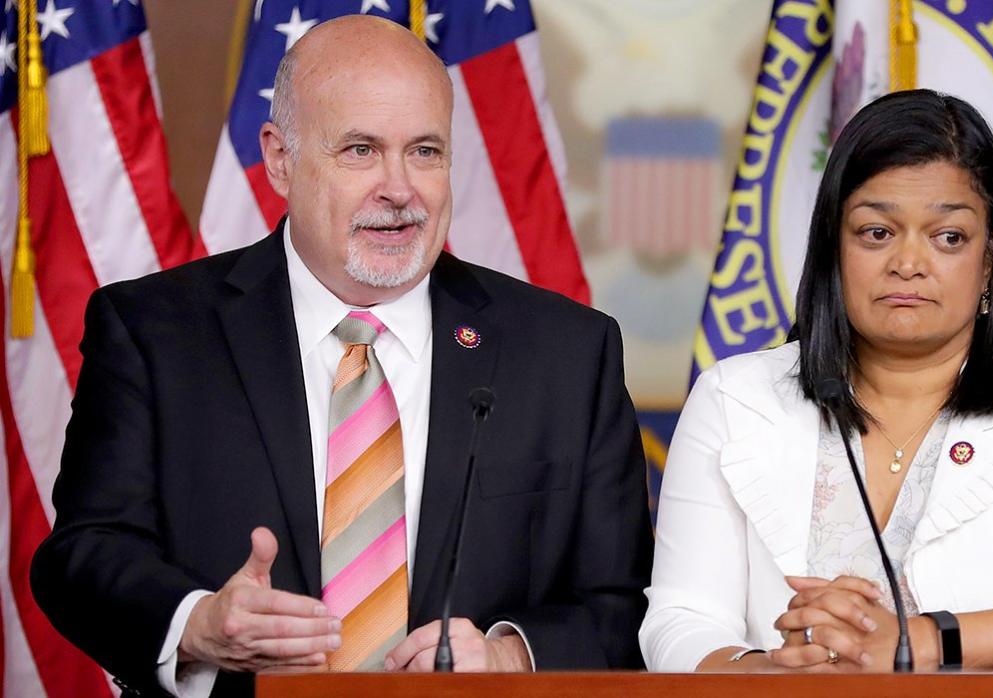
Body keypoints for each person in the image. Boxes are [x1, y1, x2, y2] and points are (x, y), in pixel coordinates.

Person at [32, 15, 651, 697]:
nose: (398, 188)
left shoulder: (567, 351)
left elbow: (623, 603)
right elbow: (83, 554)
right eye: (359, 150)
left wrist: (509, 659)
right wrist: (198, 623)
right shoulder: (155, 332)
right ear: (278, 159)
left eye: (424, 151)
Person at [639, 90, 993, 684]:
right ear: (834, 248)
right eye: (876, 232)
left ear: (990, 258)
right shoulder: (734, 399)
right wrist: (777, 671)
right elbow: (679, 621)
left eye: (948, 238)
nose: (908, 263)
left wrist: (922, 641)